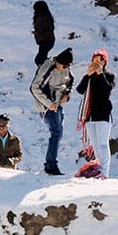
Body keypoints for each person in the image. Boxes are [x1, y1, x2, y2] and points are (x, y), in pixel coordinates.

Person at [30, 47, 74, 175]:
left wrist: (68, 94)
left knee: (57, 133)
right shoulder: (47, 67)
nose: (65, 68)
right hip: (46, 106)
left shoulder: (66, 68)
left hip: (58, 104)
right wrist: (49, 104)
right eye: (63, 66)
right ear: (57, 62)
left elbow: (70, 82)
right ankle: (51, 165)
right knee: (57, 132)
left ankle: (50, 163)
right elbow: (34, 88)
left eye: (68, 66)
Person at [75, 48, 115, 177]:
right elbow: (80, 90)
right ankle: (98, 169)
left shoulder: (108, 76)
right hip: (90, 115)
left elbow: (107, 89)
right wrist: (88, 74)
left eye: (100, 60)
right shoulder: (90, 77)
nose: (97, 63)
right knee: (96, 145)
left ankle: (105, 172)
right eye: (95, 60)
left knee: (103, 144)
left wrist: (100, 73)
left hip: (103, 114)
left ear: (105, 62)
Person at [32, 1, 55, 66]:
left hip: (46, 41)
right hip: (46, 41)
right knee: (41, 59)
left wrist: (38, 32)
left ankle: (47, 71)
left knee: (39, 60)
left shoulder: (41, 17)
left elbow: (44, 29)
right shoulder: (46, 16)